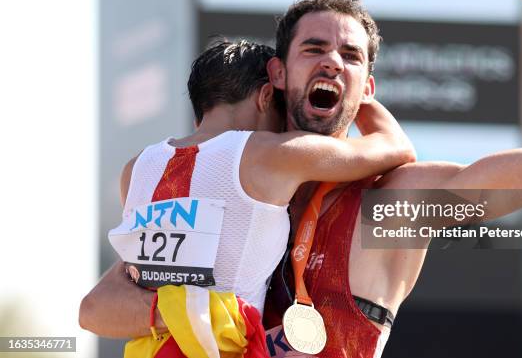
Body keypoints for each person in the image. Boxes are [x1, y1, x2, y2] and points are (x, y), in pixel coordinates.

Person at [80, 0, 522, 358]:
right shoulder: (228, 185)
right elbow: (101, 304)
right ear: (277, 77)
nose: (331, 61)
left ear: (367, 88)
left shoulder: (391, 203)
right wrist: (178, 313)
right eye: (313, 49)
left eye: (349, 56)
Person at [92, 39, 415, 356]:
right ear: (264, 97)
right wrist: (358, 91)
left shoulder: (136, 169)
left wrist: (183, 312)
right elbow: (394, 146)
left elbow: (104, 302)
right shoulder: (267, 153)